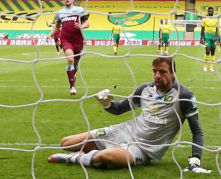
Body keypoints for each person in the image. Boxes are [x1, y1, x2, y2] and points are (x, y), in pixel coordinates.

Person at [48, 56, 209, 172]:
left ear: (173, 74)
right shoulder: (145, 89)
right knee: (66, 143)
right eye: (154, 71)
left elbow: (197, 131)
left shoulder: (184, 95)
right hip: (122, 131)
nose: (157, 76)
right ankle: (85, 154)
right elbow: (119, 109)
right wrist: (107, 104)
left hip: (142, 149)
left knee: (104, 157)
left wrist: (195, 159)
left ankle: (73, 159)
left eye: (162, 72)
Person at [48, 0, 89, 96]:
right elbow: (57, 27)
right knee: (70, 59)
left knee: (75, 64)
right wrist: (50, 35)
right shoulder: (60, 13)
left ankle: (72, 75)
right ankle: (72, 86)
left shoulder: (79, 10)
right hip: (66, 39)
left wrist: (81, 26)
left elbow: (87, 23)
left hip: (78, 40)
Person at [200, 6, 219, 72]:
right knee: (207, 51)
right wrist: (202, 37)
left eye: (211, 11)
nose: (210, 12)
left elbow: (217, 29)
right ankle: (205, 66)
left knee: (213, 52)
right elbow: (202, 29)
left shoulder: (216, 20)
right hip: (207, 37)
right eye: (209, 11)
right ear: (208, 12)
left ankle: (211, 67)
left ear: (213, 12)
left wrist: (216, 37)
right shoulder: (205, 19)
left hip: (213, 38)